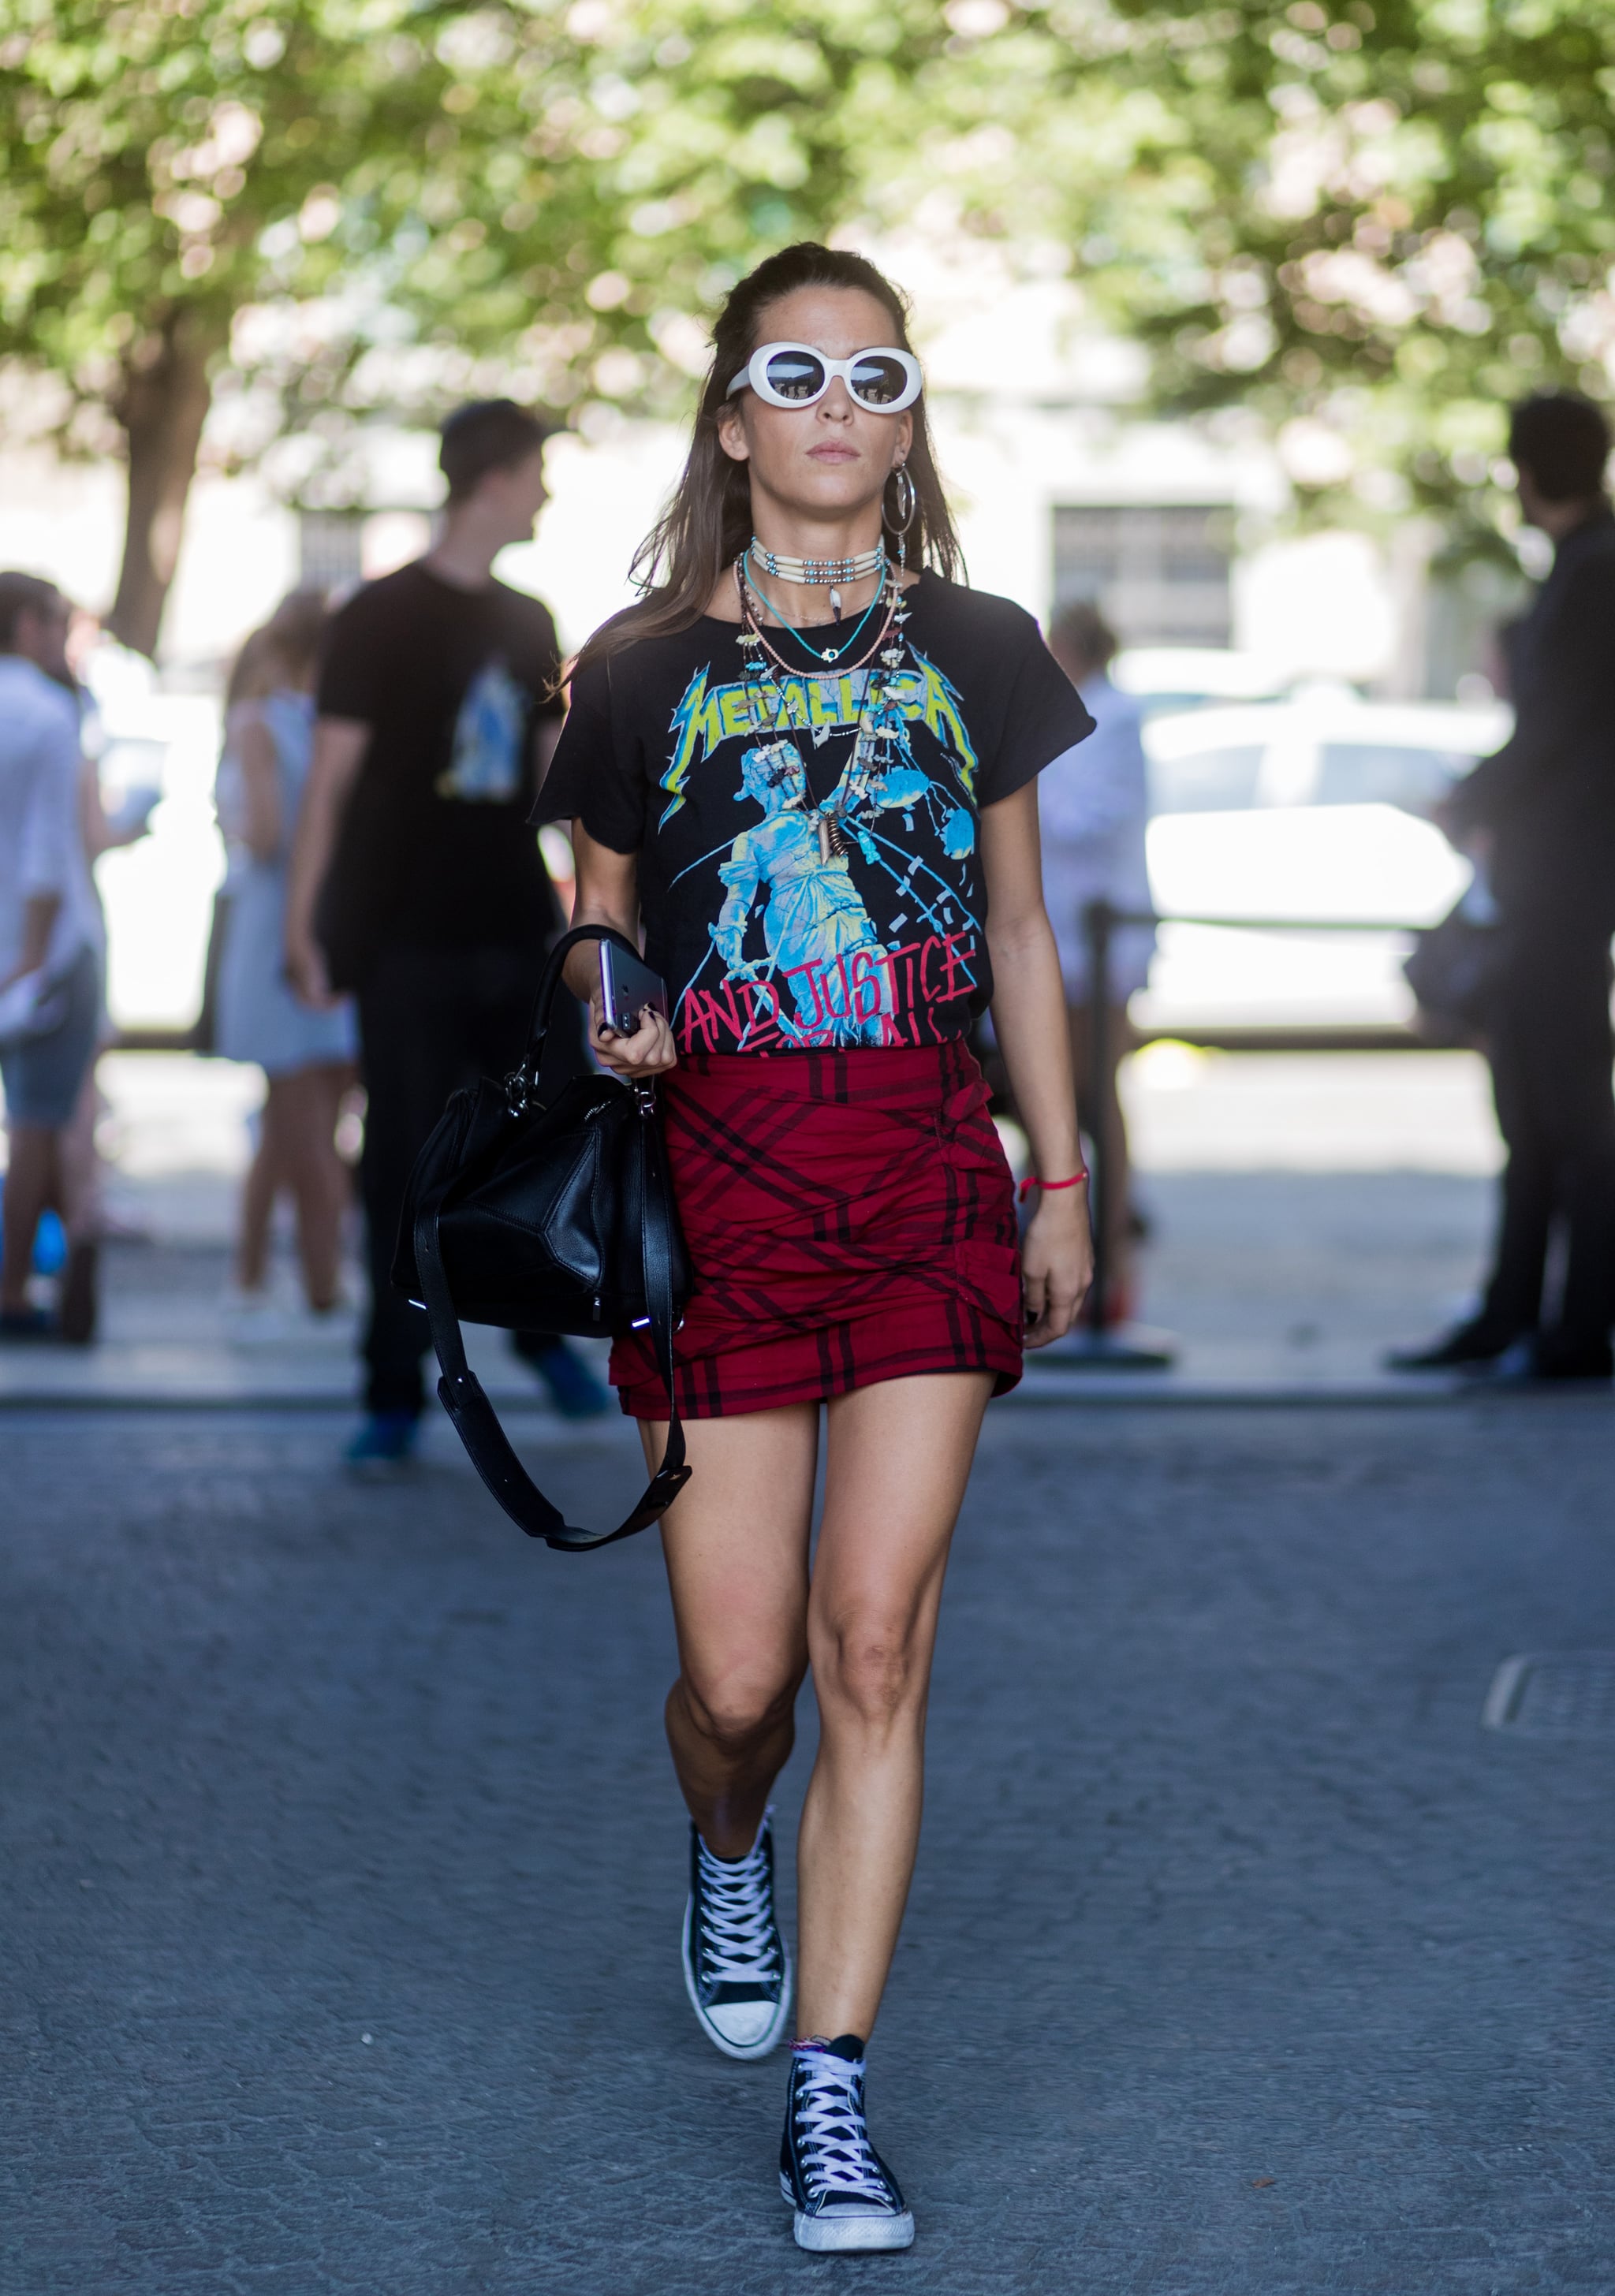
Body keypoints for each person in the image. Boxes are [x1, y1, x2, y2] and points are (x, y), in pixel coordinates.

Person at [534, 243, 1095, 2253]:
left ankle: (830, 2095)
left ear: (908, 414)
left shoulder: (985, 644)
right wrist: (611, 991)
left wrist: (1061, 1172)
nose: (837, 406)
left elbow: (1019, 932)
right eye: (796, 372)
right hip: (723, 1182)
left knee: (875, 1640)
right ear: (730, 415)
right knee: (740, 1673)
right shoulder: (635, 670)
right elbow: (593, 903)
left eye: (877, 374)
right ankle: (720, 1832)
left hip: (932, 1162)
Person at [284, 398, 607, 1461]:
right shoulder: (376, 616)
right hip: (403, 932)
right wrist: (305, 925)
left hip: (514, 925)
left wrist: (601, 912)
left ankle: (535, 1330)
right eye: (540, 474)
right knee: (406, 1160)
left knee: (544, 1138)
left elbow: (562, 782)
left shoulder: (527, 620)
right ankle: (391, 1387)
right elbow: (328, 786)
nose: (549, 496)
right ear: (500, 478)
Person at [1391, 392, 1615, 1382]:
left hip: (1563, 878)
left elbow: (1557, 730)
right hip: (1556, 873)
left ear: (1527, 469)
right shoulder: (1582, 568)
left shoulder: (1592, 573)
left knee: (1559, 1109)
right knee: (1535, 1105)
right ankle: (1522, 1313)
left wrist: (1464, 796)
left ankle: (1564, 1327)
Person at [214, 592, 360, 1327]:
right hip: (331, 923)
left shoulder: (258, 723)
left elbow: (265, 835)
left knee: (293, 1119)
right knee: (308, 1114)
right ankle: (300, 1275)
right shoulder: (328, 725)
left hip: (274, 923)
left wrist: (230, 818)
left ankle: (307, 1278)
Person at [1039, 599, 1155, 1324]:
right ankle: (1075, 1254)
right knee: (1061, 1098)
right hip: (1067, 933)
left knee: (1088, 1096)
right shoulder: (1089, 712)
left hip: (1092, 937)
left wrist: (1020, 778)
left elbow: (1084, 821)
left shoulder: (1112, 717)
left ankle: (1103, 1256)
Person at [0, 573, 104, 1344]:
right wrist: (29, 960)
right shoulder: (45, 709)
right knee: (40, 1120)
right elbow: (45, 851)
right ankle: (11, 1288)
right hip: (49, 948)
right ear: (28, 625)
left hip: (33, 943)